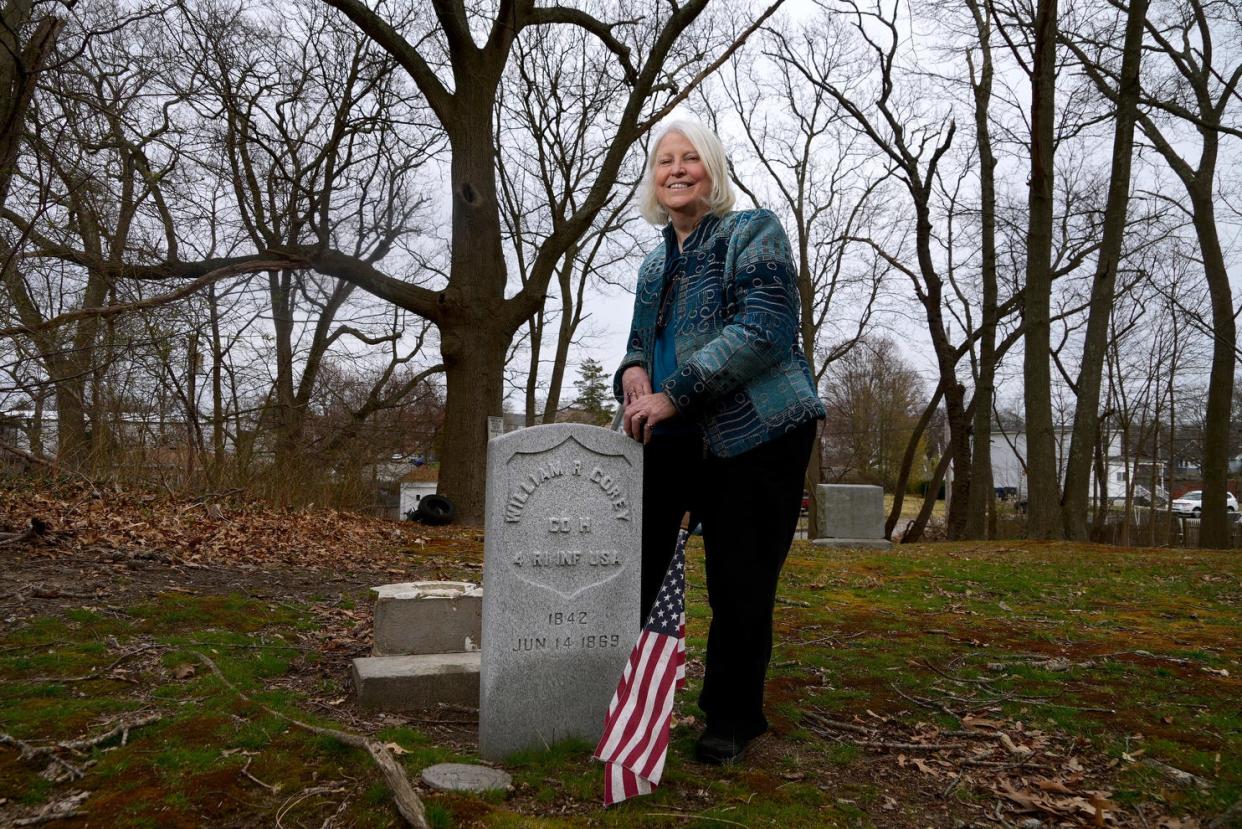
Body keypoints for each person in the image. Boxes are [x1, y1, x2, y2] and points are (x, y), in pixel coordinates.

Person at [614, 120, 825, 765]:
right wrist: (633, 372)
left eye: (690, 160)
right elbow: (638, 343)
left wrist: (674, 392)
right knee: (637, 561)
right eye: (663, 161)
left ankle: (733, 716)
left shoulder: (751, 231)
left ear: (713, 169)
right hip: (677, 431)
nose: (676, 170)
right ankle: (628, 697)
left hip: (759, 432)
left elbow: (764, 330)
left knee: (740, 577)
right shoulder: (655, 261)